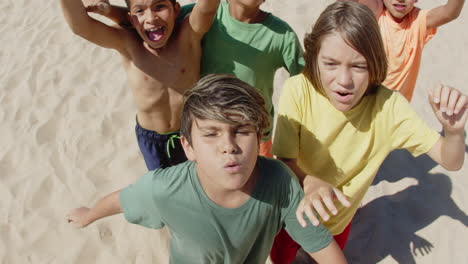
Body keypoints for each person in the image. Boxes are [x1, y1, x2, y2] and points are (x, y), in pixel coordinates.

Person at [66, 74, 348, 264]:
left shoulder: (280, 182)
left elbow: (320, 244)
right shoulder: (166, 189)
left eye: (241, 131)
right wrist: (89, 215)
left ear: (260, 135)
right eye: (211, 134)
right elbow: (122, 199)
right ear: (188, 148)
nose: (229, 146)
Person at [272, 1, 467, 263]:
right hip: (292, 213)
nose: (344, 80)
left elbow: (450, 160)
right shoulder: (298, 89)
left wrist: (453, 132)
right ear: (313, 57)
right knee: (281, 256)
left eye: (359, 66)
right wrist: (310, 182)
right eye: (330, 64)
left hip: (339, 220)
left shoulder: (389, 108)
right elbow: (284, 159)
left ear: (375, 64)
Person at [84, 0, 305, 158]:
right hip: (208, 127)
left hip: (254, 130)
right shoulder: (205, 14)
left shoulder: (282, 35)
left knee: (261, 188)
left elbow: (306, 84)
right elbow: (146, 15)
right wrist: (108, 10)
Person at [60, 0, 220, 170]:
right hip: (152, 139)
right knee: (163, 189)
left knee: (200, 182)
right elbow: (81, 27)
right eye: (140, 11)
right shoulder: (129, 44)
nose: (151, 18)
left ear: (176, 9)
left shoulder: (187, 35)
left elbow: (207, 8)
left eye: (160, 7)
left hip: (190, 131)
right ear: (130, 19)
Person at [354, 0, 465, 101]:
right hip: (365, 104)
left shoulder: (418, 22)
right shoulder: (374, 14)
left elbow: (450, 12)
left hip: (396, 110)